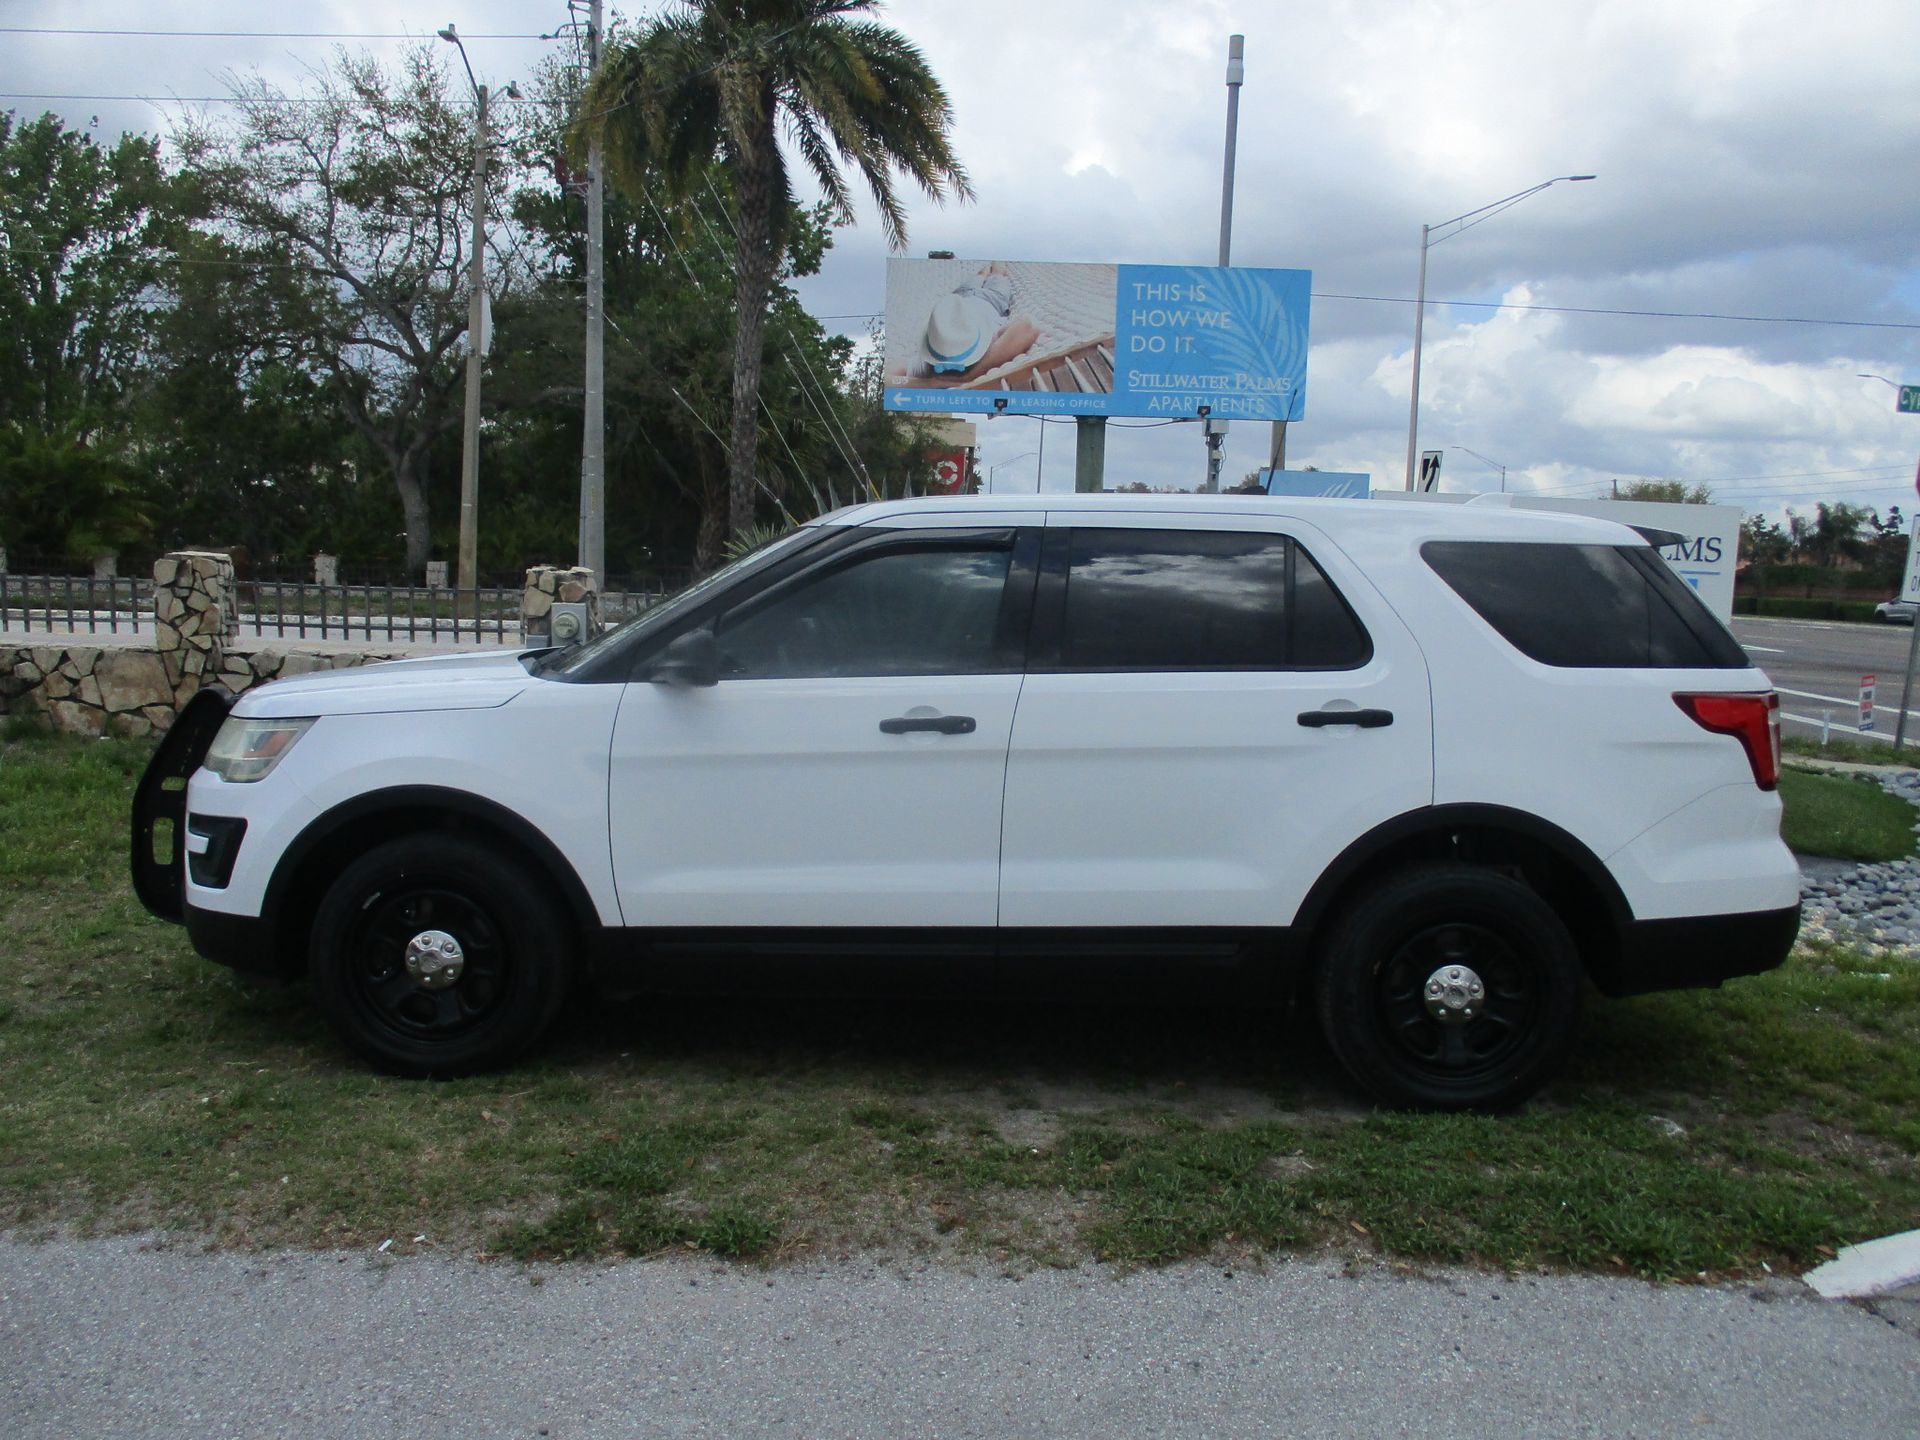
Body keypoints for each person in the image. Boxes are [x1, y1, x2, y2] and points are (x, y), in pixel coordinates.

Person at [901, 261, 1040, 385]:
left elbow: (889, 377)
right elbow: (1027, 327)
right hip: (992, 299)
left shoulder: (927, 365)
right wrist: (970, 376)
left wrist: (931, 384)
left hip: (960, 298)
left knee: (981, 273)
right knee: (998, 272)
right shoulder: (990, 348)